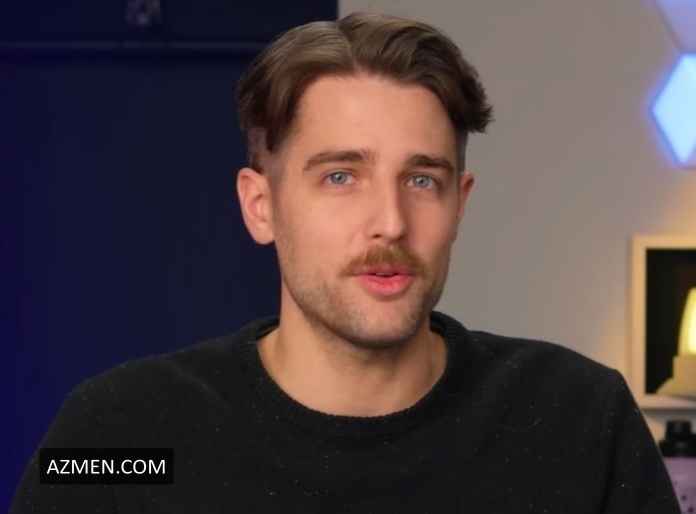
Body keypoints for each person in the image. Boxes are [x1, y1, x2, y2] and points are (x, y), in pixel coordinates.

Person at [11, 11, 680, 513]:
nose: (390, 220)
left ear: (460, 204)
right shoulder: (119, 438)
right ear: (260, 206)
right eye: (340, 177)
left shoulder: (580, 423)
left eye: (422, 179)